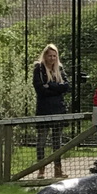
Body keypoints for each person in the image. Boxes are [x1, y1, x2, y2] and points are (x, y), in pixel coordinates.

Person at [33, 43, 70, 178]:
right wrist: (56, 89)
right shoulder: (39, 69)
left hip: (58, 109)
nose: (52, 58)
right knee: (41, 140)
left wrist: (51, 86)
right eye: (50, 56)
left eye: (54, 56)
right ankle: (41, 169)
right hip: (44, 109)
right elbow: (40, 89)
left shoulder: (59, 68)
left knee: (57, 141)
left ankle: (58, 169)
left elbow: (66, 86)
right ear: (45, 56)